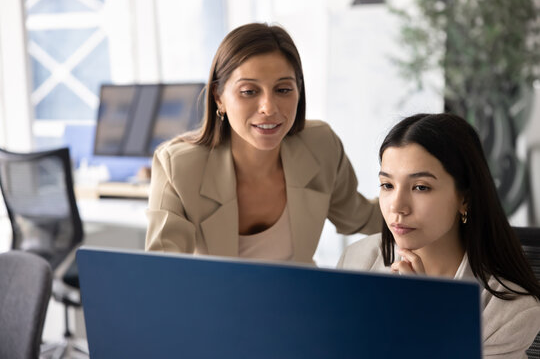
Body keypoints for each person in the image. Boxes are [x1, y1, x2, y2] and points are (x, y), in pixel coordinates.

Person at [145, 22, 382, 263]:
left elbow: (360, 216)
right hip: (216, 300)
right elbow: (164, 272)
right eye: (249, 91)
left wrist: (416, 199)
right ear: (219, 97)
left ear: (298, 91)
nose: (268, 107)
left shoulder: (320, 145)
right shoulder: (178, 166)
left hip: (300, 298)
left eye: (283, 89)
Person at [338, 113, 540, 357]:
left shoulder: (507, 309)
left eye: (421, 187)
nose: (397, 206)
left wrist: (426, 316)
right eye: (387, 185)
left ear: (464, 198)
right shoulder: (356, 262)